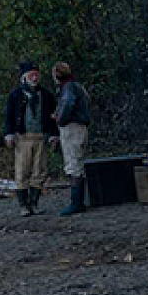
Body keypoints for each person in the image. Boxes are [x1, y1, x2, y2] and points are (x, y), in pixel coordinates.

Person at [4, 62, 59, 216]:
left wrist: (54, 136)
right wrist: (9, 134)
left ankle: (34, 203)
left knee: (39, 171)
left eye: (36, 75)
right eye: (31, 75)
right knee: (22, 171)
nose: (34, 78)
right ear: (24, 77)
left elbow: (52, 117)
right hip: (23, 138)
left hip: (41, 137)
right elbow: (9, 116)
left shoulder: (46, 95)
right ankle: (23, 205)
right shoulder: (15, 95)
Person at [52, 62, 91, 216]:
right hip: (79, 127)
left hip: (72, 127)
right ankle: (78, 201)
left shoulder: (68, 87)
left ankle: (77, 203)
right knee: (77, 162)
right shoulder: (77, 86)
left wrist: (59, 118)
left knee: (74, 164)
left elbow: (68, 105)